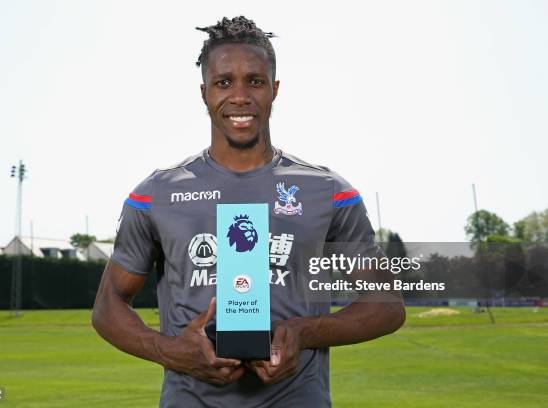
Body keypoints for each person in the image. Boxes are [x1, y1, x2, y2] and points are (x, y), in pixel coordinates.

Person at [92, 16, 405, 408]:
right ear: (204, 92)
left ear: (274, 90)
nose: (240, 96)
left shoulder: (328, 191)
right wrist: (170, 350)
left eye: (255, 82)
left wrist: (303, 333)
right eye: (224, 82)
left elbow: (387, 305)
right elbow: (108, 306)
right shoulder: (156, 194)